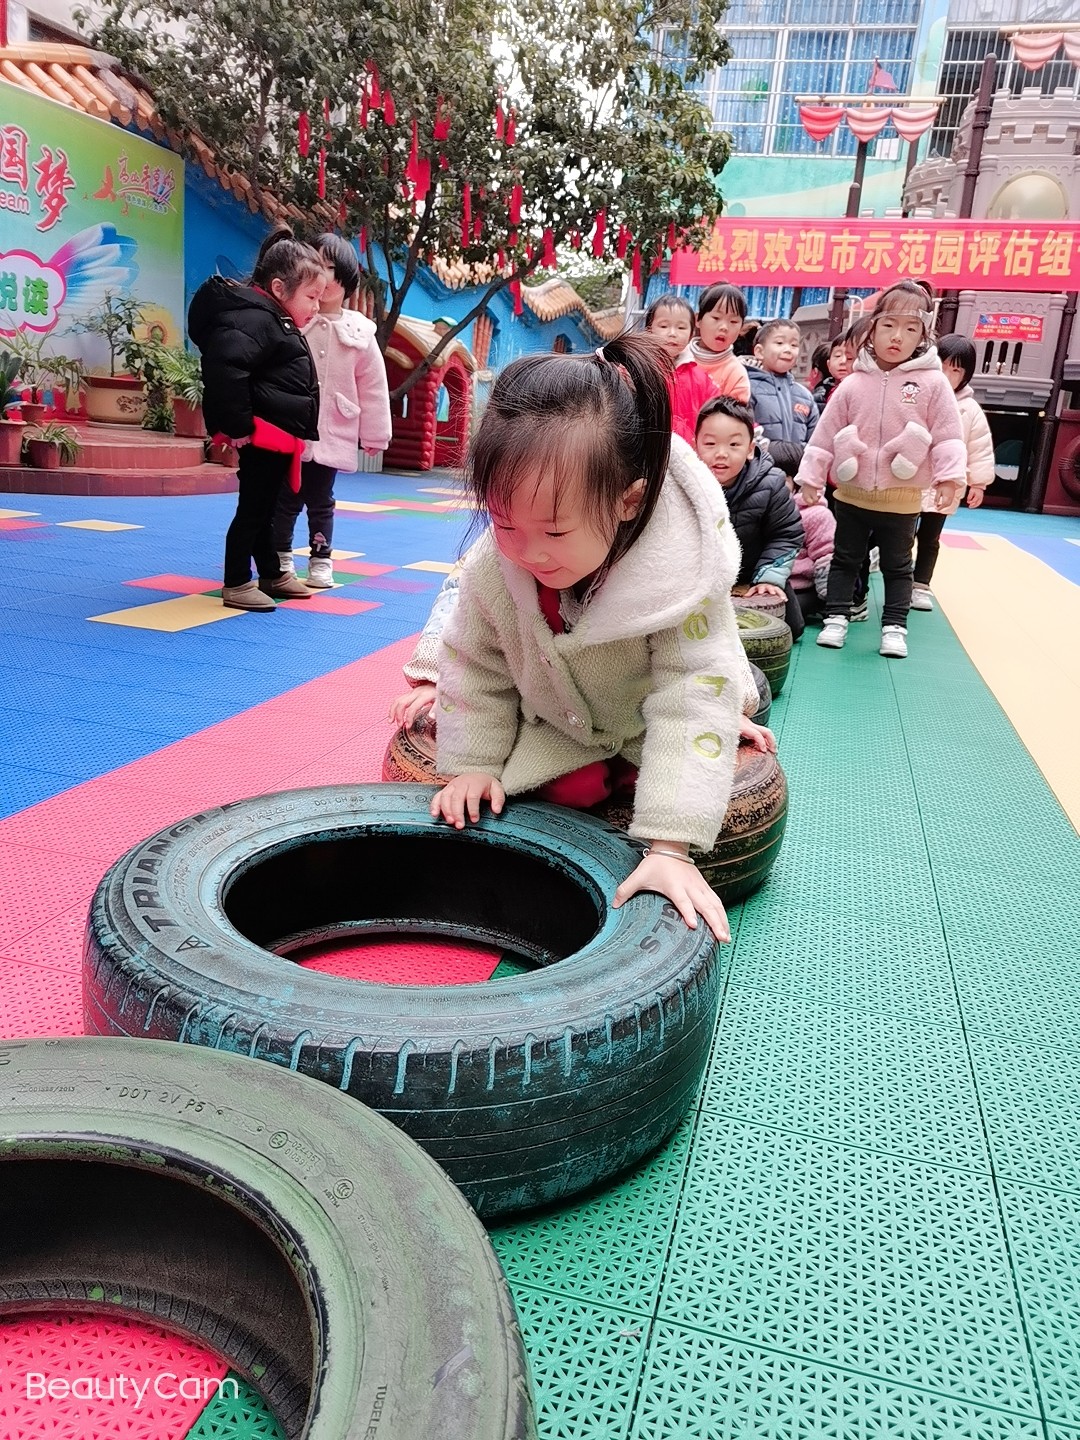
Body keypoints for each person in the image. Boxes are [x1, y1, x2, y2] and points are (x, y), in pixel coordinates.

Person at [419, 334, 767, 942]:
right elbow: (474, 662)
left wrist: (671, 847)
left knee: (712, 712)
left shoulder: (681, 577)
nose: (528, 552)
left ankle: (729, 705)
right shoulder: (496, 566)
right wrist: (472, 765)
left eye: (554, 531)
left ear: (628, 501)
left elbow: (690, 691)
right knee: (565, 788)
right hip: (558, 715)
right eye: (503, 522)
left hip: (642, 712)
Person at [797, 281, 966, 659]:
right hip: (852, 494)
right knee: (845, 559)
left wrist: (950, 477)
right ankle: (836, 617)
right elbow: (824, 433)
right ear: (872, 329)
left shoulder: (933, 383)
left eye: (910, 328)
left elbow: (948, 435)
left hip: (902, 497)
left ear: (923, 334)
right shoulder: (854, 384)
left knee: (898, 565)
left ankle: (894, 626)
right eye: (889, 325)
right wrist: (811, 476)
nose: (897, 336)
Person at [188, 227, 324, 611]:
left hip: (278, 436)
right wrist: (237, 426)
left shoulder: (273, 318)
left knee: (265, 508)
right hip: (262, 435)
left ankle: (271, 572)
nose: (316, 306)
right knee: (253, 509)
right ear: (280, 288)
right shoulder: (255, 318)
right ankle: (236, 581)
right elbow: (226, 369)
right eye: (311, 297)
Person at [272, 234, 392, 588]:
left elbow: (373, 386)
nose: (323, 276)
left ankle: (321, 558)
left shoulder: (359, 332)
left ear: (347, 276)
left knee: (321, 498)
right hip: (291, 428)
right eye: (316, 266)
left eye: (330, 267)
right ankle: (279, 555)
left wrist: (375, 434)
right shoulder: (292, 321)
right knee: (285, 496)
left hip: (333, 430)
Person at [695, 397, 806, 640]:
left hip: (756, 572)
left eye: (734, 444)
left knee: (791, 628)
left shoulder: (771, 483)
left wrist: (770, 579)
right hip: (704, 577)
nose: (721, 453)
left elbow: (786, 533)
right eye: (710, 443)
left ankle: (803, 595)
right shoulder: (686, 484)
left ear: (750, 449)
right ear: (696, 445)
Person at [911, 333, 993, 611]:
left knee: (930, 538)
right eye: (942, 366)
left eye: (956, 370)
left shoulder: (969, 409)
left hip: (943, 488)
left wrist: (978, 483)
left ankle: (920, 585)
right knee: (900, 535)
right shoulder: (917, 398)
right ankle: (899, 579)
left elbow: (979, 447)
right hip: (911, 482)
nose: (947, 376)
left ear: (966, 375)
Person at [770, 439, 836, 624]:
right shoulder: (762, 509)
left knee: (780, 614)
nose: (774, 485)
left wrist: (830, 598)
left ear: (797, 481)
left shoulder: (815, 514)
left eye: (782, 480)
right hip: (769, 584)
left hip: (803, 588)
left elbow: (826, 554)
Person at [643, 293, 720, 445]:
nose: (672, 333)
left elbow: (719, 408)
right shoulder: (639, 371)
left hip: (689, 452)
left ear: (691, 334)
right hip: (648, 450)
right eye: (663, 326)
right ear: (649, 330)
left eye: (681, 327)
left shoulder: (700, 379)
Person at [747, 318, 818, 457]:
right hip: (759, 465)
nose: (788, 350)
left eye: (794, 345)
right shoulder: (748, 387)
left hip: (797, 466)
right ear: (760, 351)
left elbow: (815, 440)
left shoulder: (805, 396)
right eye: (779, 343)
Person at [689, 283, 752, 403]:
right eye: (716, 318)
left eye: (733, 321)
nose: (724, 327)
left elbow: (735, 413)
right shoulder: (677, 358)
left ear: (741, 327)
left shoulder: (736, 374)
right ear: (698, 319)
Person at [811, 335, 852, 414]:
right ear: (828, 364)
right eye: (837, 356)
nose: (843, 361)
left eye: (849, 357)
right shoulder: (820, 394)